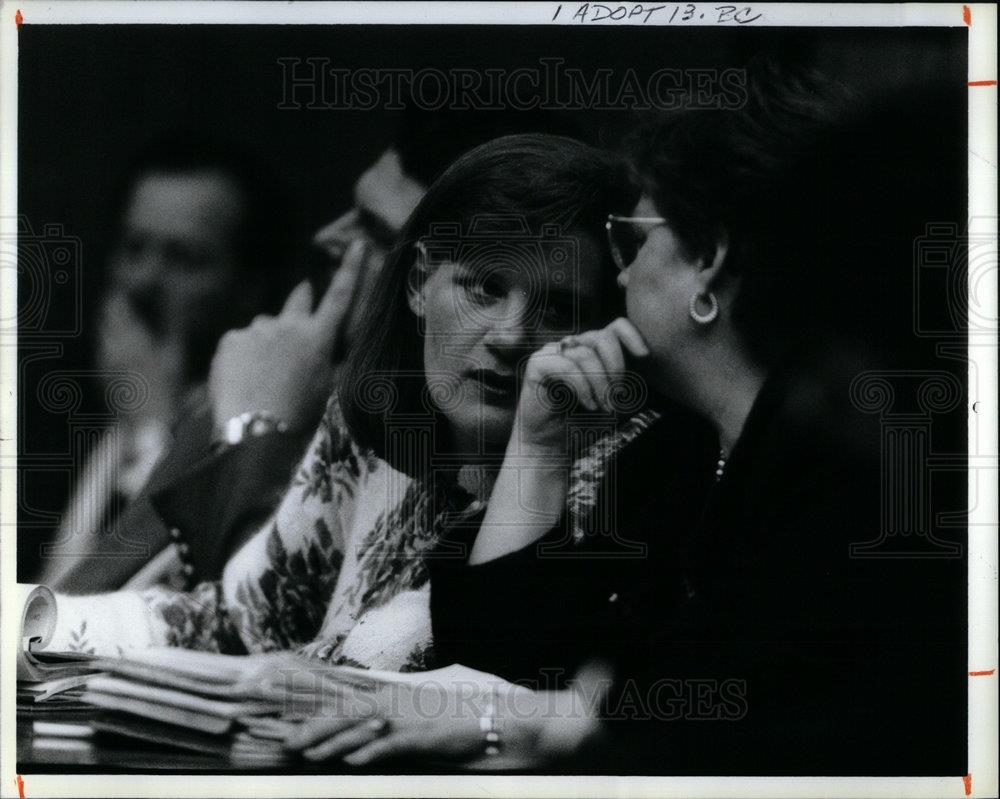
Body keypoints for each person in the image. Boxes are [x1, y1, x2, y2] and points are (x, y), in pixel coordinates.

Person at [289, 60, 966, 775]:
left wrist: (549, 728)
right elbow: (493, 667)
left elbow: (777, 735)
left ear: (708, 260)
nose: (619, 276)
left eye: (635, 240)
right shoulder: (673, 457)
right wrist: (539, 443)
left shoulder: (858, 472)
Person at [33, 134, 644, 682]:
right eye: (485, 288)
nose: (511, 335)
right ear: (418, 284)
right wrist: (28, 624)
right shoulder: (369, 416)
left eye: (560, 308)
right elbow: (242, 619)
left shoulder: (610, 476)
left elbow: (445, 682)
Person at [36, 136, 298, 590]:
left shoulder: (267, 433)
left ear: (250, 286)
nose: (143, 280)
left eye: (184, 259)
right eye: (134, 248)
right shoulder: (54, 398)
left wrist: (150, 433)